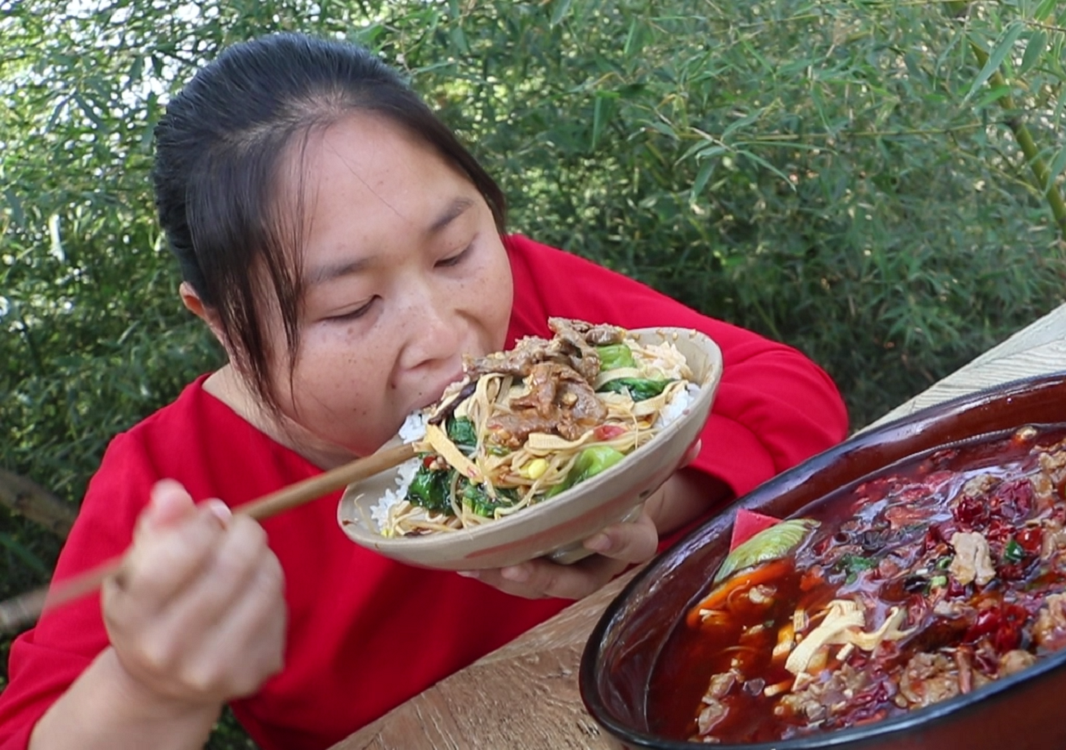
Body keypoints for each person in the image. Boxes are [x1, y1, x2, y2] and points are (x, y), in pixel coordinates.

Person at [0, 32, 848, 750]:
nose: (445, 332)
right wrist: (153, 687)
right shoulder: (172, 478)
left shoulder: (544, 320)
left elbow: (793, 394)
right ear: (220, 323)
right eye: (349, 306)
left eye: (453, 253)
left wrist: (649, 496)